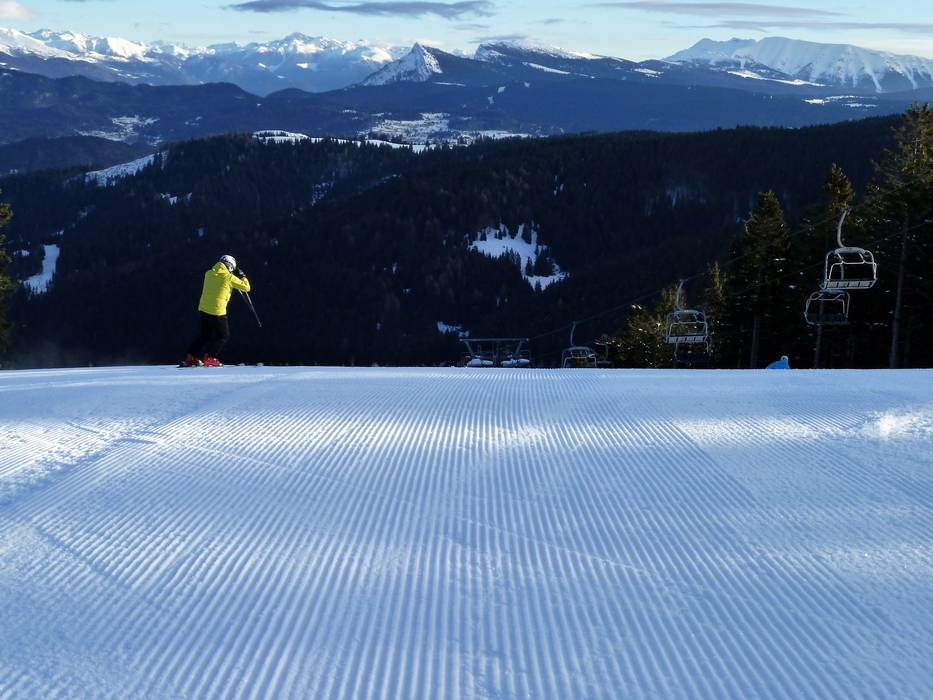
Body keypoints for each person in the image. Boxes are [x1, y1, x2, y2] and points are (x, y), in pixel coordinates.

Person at [182, 254, 251, 367]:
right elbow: (246, 287)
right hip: (217, 311)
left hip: (204, 309)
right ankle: (210, 358)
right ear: (230, 266)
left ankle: (191, 357)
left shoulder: (208, 273)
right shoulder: (229, 277)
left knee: (205, 335)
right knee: (223, 336)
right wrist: (242, 276)